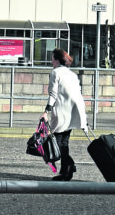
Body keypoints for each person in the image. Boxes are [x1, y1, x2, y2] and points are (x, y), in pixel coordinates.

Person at [41, 48, 87, 181]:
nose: (51, 61)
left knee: (58, 142)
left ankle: (68, 166)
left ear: (56, 60)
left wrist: (46, 111)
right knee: (64, 142)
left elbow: (53, 94)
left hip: (62, 111)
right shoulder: (72, 74)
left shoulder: (55, 73)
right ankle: (65, 170)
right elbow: (78, 92)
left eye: (52, 58)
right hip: (73, 111)